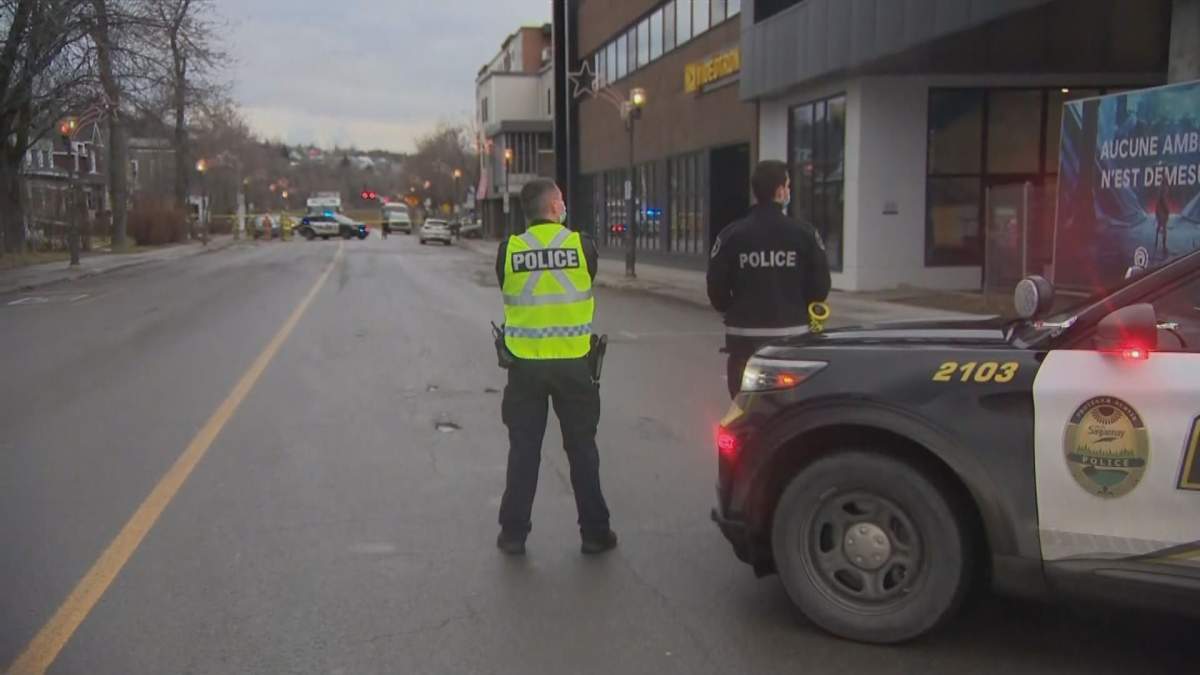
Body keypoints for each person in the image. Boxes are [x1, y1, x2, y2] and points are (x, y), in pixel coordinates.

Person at [494, 178, 617, 556]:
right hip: (574, 365)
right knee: (582, 450)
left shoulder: (508, 250)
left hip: (525, 367)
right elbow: (586, 279)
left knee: (524, 451)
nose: (565, 205)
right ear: (553, 208)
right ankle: (595, 534)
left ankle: (513, 534)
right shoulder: (582, 246)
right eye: (561, 200)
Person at [706, 160, 832, 398]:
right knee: (791, 409)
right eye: (788, 185)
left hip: (743, 342)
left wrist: (731, 309)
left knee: (742, 408)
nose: (789, 191)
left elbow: (716, 288)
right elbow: (820, 288)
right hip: (792, 339)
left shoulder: (731, 235)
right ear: (780, 191)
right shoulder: (804, 234)